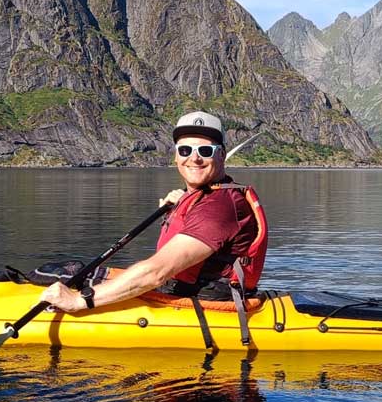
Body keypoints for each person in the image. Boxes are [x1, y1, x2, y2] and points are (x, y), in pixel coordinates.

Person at [40, 111, 267, 322]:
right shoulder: (201, 197)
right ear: (176, 157)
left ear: (222, 155)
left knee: (86, 284)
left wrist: (80, 300)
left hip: (207, 300)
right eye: (185, 150)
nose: (194, 158)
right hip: (183, 287)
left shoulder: (218, 207)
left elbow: (156, 272)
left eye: (205, 151)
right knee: (68, 271)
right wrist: (182, 206)